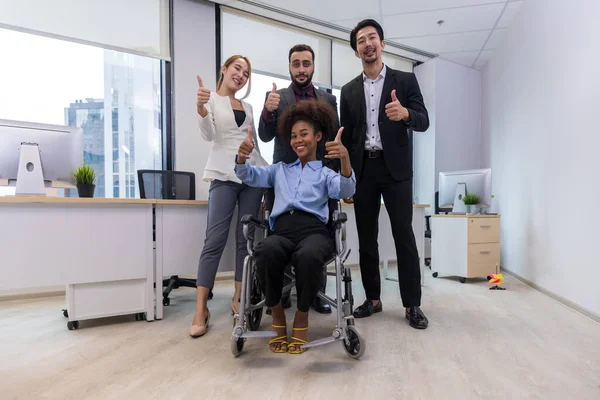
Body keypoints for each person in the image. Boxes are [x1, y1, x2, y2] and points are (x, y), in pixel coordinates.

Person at [235, 100, 355, 354]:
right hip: (282, 230)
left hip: (314, 231)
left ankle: (301, 317)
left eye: (304, 134)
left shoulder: (324, 172)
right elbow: (249, 176)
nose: (298, 140)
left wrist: (344, 159)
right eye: (293, 136)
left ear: (318, 136)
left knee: (309, 255)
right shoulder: (279, 170)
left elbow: (346, 189)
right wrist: (242, 157)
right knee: (265, 251)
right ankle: (277, 315)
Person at [340, 19, 430, 329]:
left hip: (397, 171)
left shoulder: (405, 81)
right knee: (367, 239)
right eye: (361, 40)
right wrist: (347, 177)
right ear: (356, 52)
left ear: (382, 43)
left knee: (404, 236)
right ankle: (373, 300)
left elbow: (423, 120)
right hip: (364, 170)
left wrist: (405, 115)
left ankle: (412, 304)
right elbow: (348, 137)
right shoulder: (348, 90)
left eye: (372, 37)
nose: (367, 43)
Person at [190, 55, 268, 338]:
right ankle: (201, 309)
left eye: (246, 72)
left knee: (244, 239)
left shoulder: (247, 106)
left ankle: (239, 297)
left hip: (250, 177)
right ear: (224, 69)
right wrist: (200, 107)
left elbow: (255, 147)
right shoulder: (210, 100)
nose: (241, 75)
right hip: (223, 174)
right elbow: (209, 135)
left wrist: (268, 177)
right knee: (214, 240)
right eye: (237, 69)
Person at [258, 44, 339, 314]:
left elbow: (334, 140)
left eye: (306, 63)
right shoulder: (278, 97)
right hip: (284, 174)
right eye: (296, 64)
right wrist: (268, 112)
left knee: (318, 232)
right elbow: (266, 135)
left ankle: (317, 294)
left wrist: (340, 177)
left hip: (319, 177)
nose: (301, 68)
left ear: (313, 66)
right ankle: (280, 296)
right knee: (280, 232)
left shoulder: (328, 99)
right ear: (290, 67)